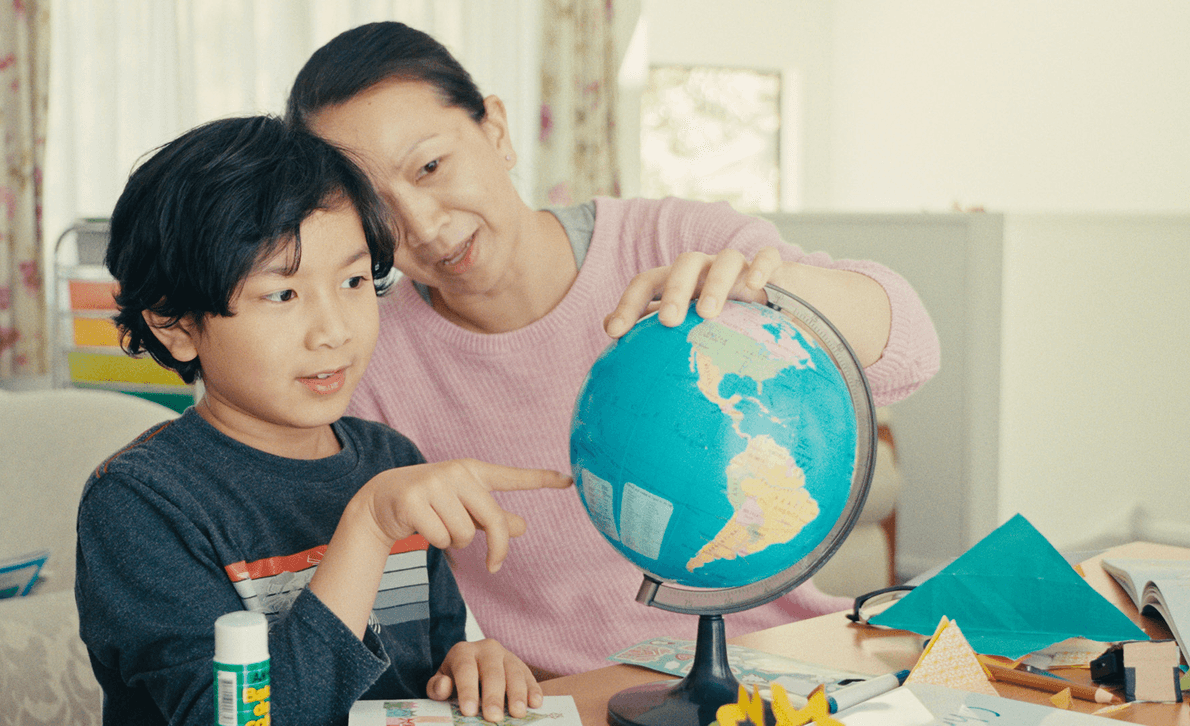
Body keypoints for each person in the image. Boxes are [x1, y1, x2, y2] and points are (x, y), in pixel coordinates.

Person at [286, 21, 942, 678]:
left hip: (788, 673)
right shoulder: (370, 355)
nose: (423, 226)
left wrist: (782, 291)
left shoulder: (670, 240)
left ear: (497, 130)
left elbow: (914, 352)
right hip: (584, 700)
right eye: (374, 207)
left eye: (431, 167)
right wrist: (461, 654)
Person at [73, 115, 572, 726]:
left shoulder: (392, 460)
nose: (335, 330)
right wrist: (365, 527)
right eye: (283, 294)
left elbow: (429, 676)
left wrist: (472, 663)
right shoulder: (139, 503)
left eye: (355, 280)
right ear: (175, 324)